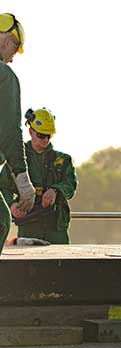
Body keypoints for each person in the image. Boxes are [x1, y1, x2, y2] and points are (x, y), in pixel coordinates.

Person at [0, 107, 78, 244]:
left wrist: (56, 191)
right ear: (31, 132)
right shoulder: (16, 161)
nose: (45, 139)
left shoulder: (64, 160)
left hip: (56, 228)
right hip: (28, 227)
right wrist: (11, 205)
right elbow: (3, 187)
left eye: (49, 135)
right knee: (28, 264)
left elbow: (71, 184)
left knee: (61, 263)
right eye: (41, 135)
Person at [0, 13, 35, 251]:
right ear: (5, 41)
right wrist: (23, 179)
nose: (12, 57)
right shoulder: (4, 76)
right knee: (1, 219)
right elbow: (10, 132)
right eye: (15, 47)